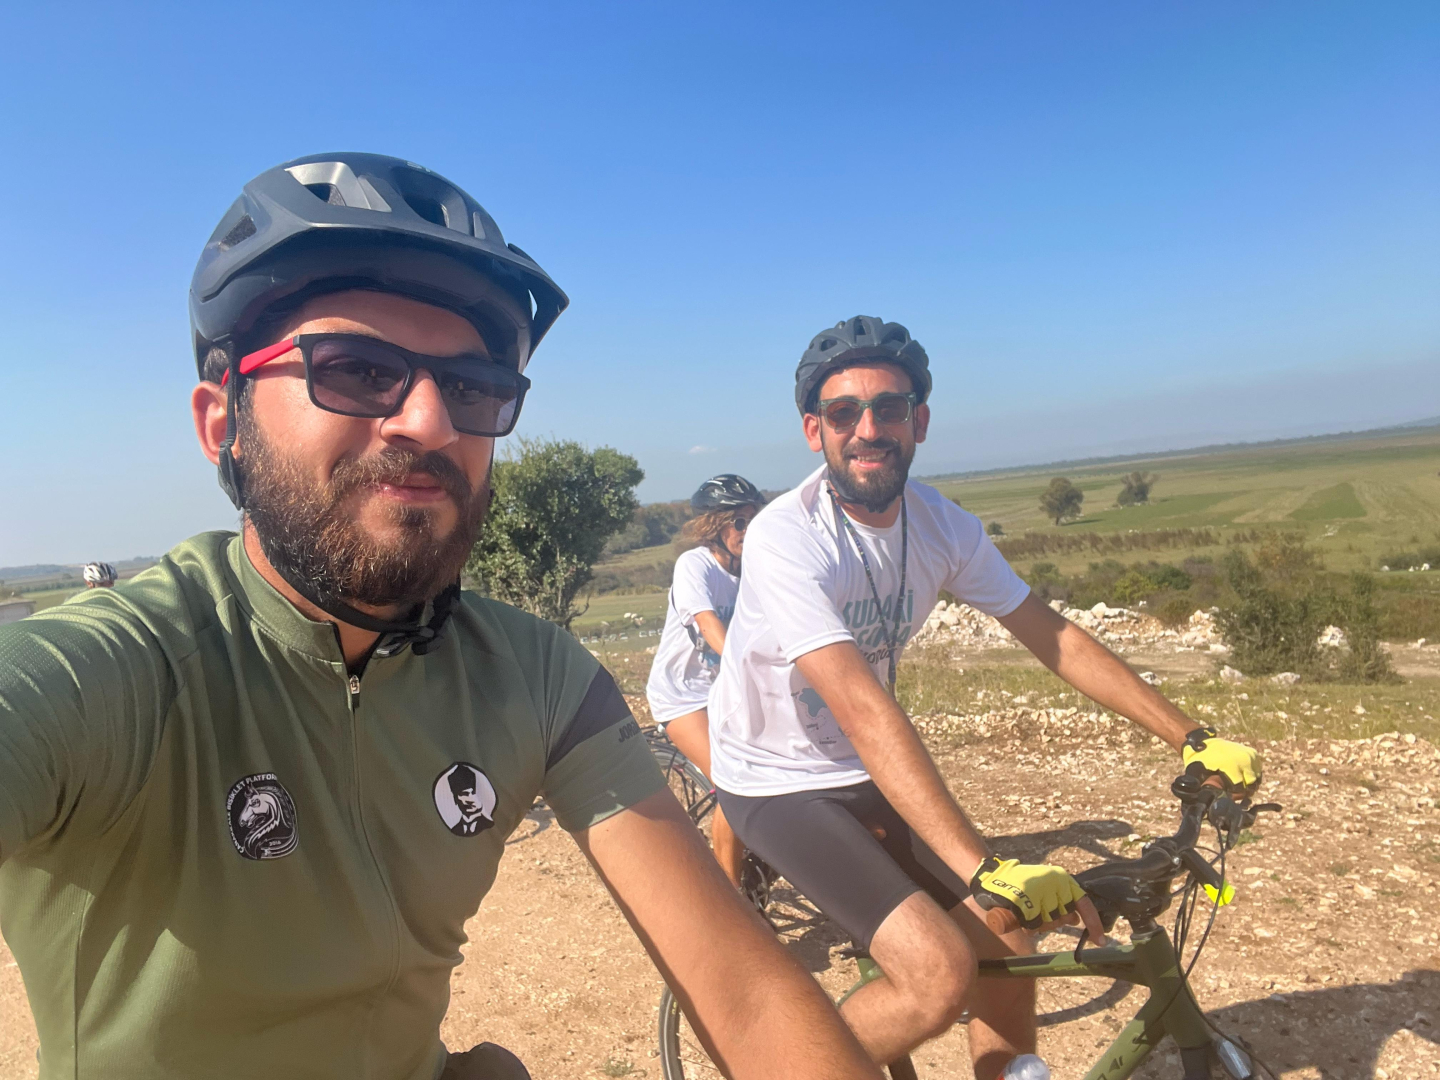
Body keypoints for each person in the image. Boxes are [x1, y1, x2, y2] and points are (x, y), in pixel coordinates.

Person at [0, 155, 881, 1080]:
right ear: (222, 423)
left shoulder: (531, 677)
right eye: (355, 369)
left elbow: (742, 993)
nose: (429, 420)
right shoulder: (122, 671)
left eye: (470, 386)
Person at [707, 316, 1264, 1080]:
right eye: (843, 413)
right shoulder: (786, 537)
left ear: (919, 422)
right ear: (815, 431)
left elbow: (1052, 635)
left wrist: (1190, 735)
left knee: (1007, 931)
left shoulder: (945, 528)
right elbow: (860, 705)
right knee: (936, 975)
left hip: (861, 768)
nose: (868, 429)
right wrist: (978, 865)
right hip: (774, 779)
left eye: (889, 407)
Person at [645, 474, 765, 886]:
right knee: (735, 787)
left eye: (754, 519)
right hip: (681, 697)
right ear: (714, 526)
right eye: (739, 522)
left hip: (724, 692)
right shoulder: (695, 566)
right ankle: (731, 901)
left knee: (780, 772)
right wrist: (747, 670)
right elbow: (708, 623)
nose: (748, 530)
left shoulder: (754, 570)